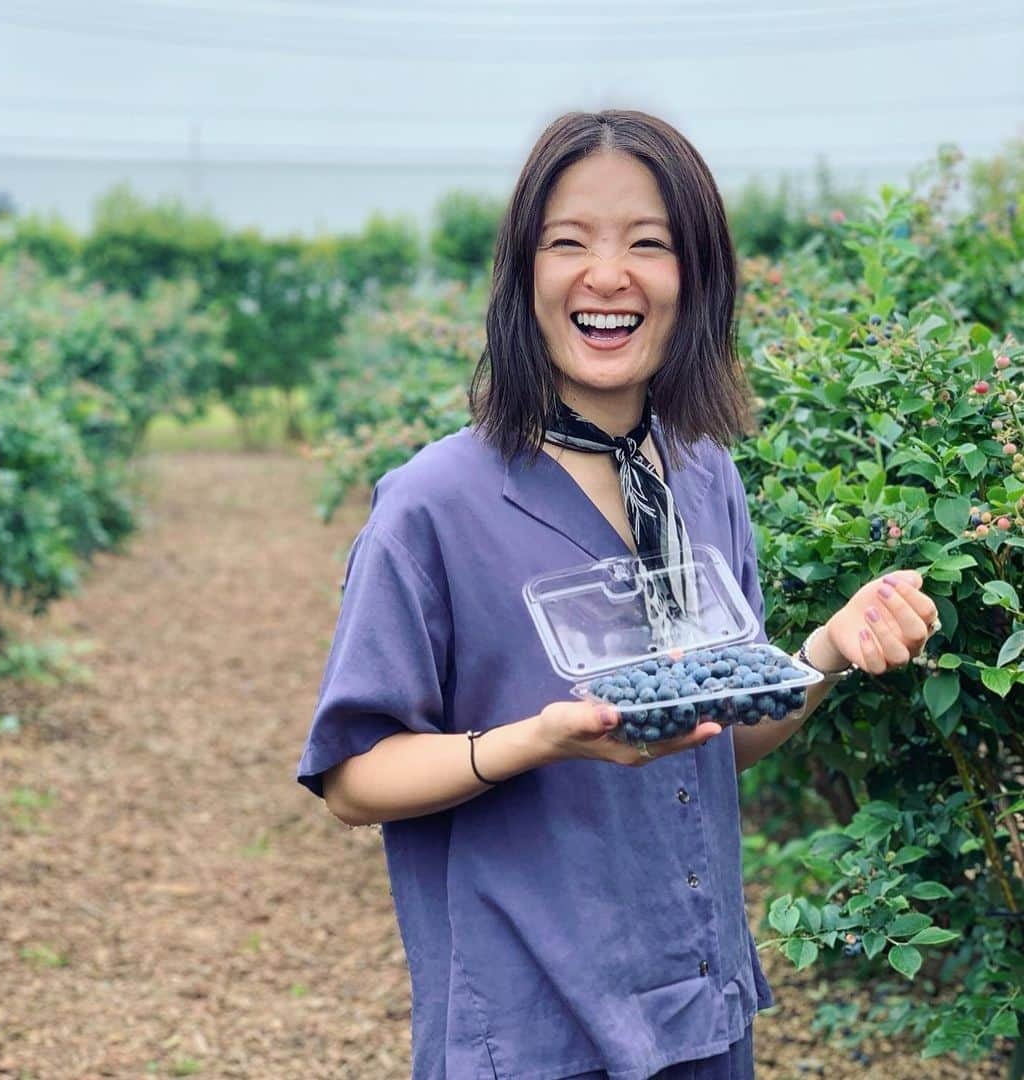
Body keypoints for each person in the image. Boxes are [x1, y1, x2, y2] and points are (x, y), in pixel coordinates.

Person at [297, 110, 939, 1080]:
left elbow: (720, 732)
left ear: (696, 278)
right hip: (527, 1031)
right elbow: (353, 778)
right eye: (569, 243)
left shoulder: (702, 471)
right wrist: (540, 738)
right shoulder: (433, 506)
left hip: (700, 1009)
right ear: (524, 278)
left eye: (649, 243)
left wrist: (825, 652)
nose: (608, 274)